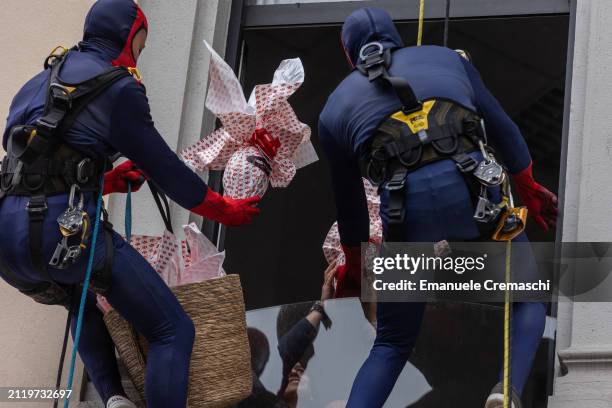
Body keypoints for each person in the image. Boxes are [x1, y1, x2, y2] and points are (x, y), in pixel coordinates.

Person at [0, 1, 260, 407]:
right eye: (143, 39)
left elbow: (37, 170)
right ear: (130, 34)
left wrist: (106, 182)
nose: (142, 49)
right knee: (172, 330)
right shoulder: (118, 87)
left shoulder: (37, 83)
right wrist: (223, 210)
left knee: (79, 299)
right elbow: (167, 171)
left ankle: (114, 399)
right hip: (60, 236)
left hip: (7, 241)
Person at [319, 7, 557, 408]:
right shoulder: (449, 60)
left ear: (350, 56)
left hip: (405, 217)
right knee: (528, 300)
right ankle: (506, 391)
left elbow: (352, 210)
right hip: (473, 198)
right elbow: (505, 132)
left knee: (392, 343)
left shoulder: (332, 111)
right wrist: (530, 189)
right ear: (398, 38)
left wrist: (354, 273)